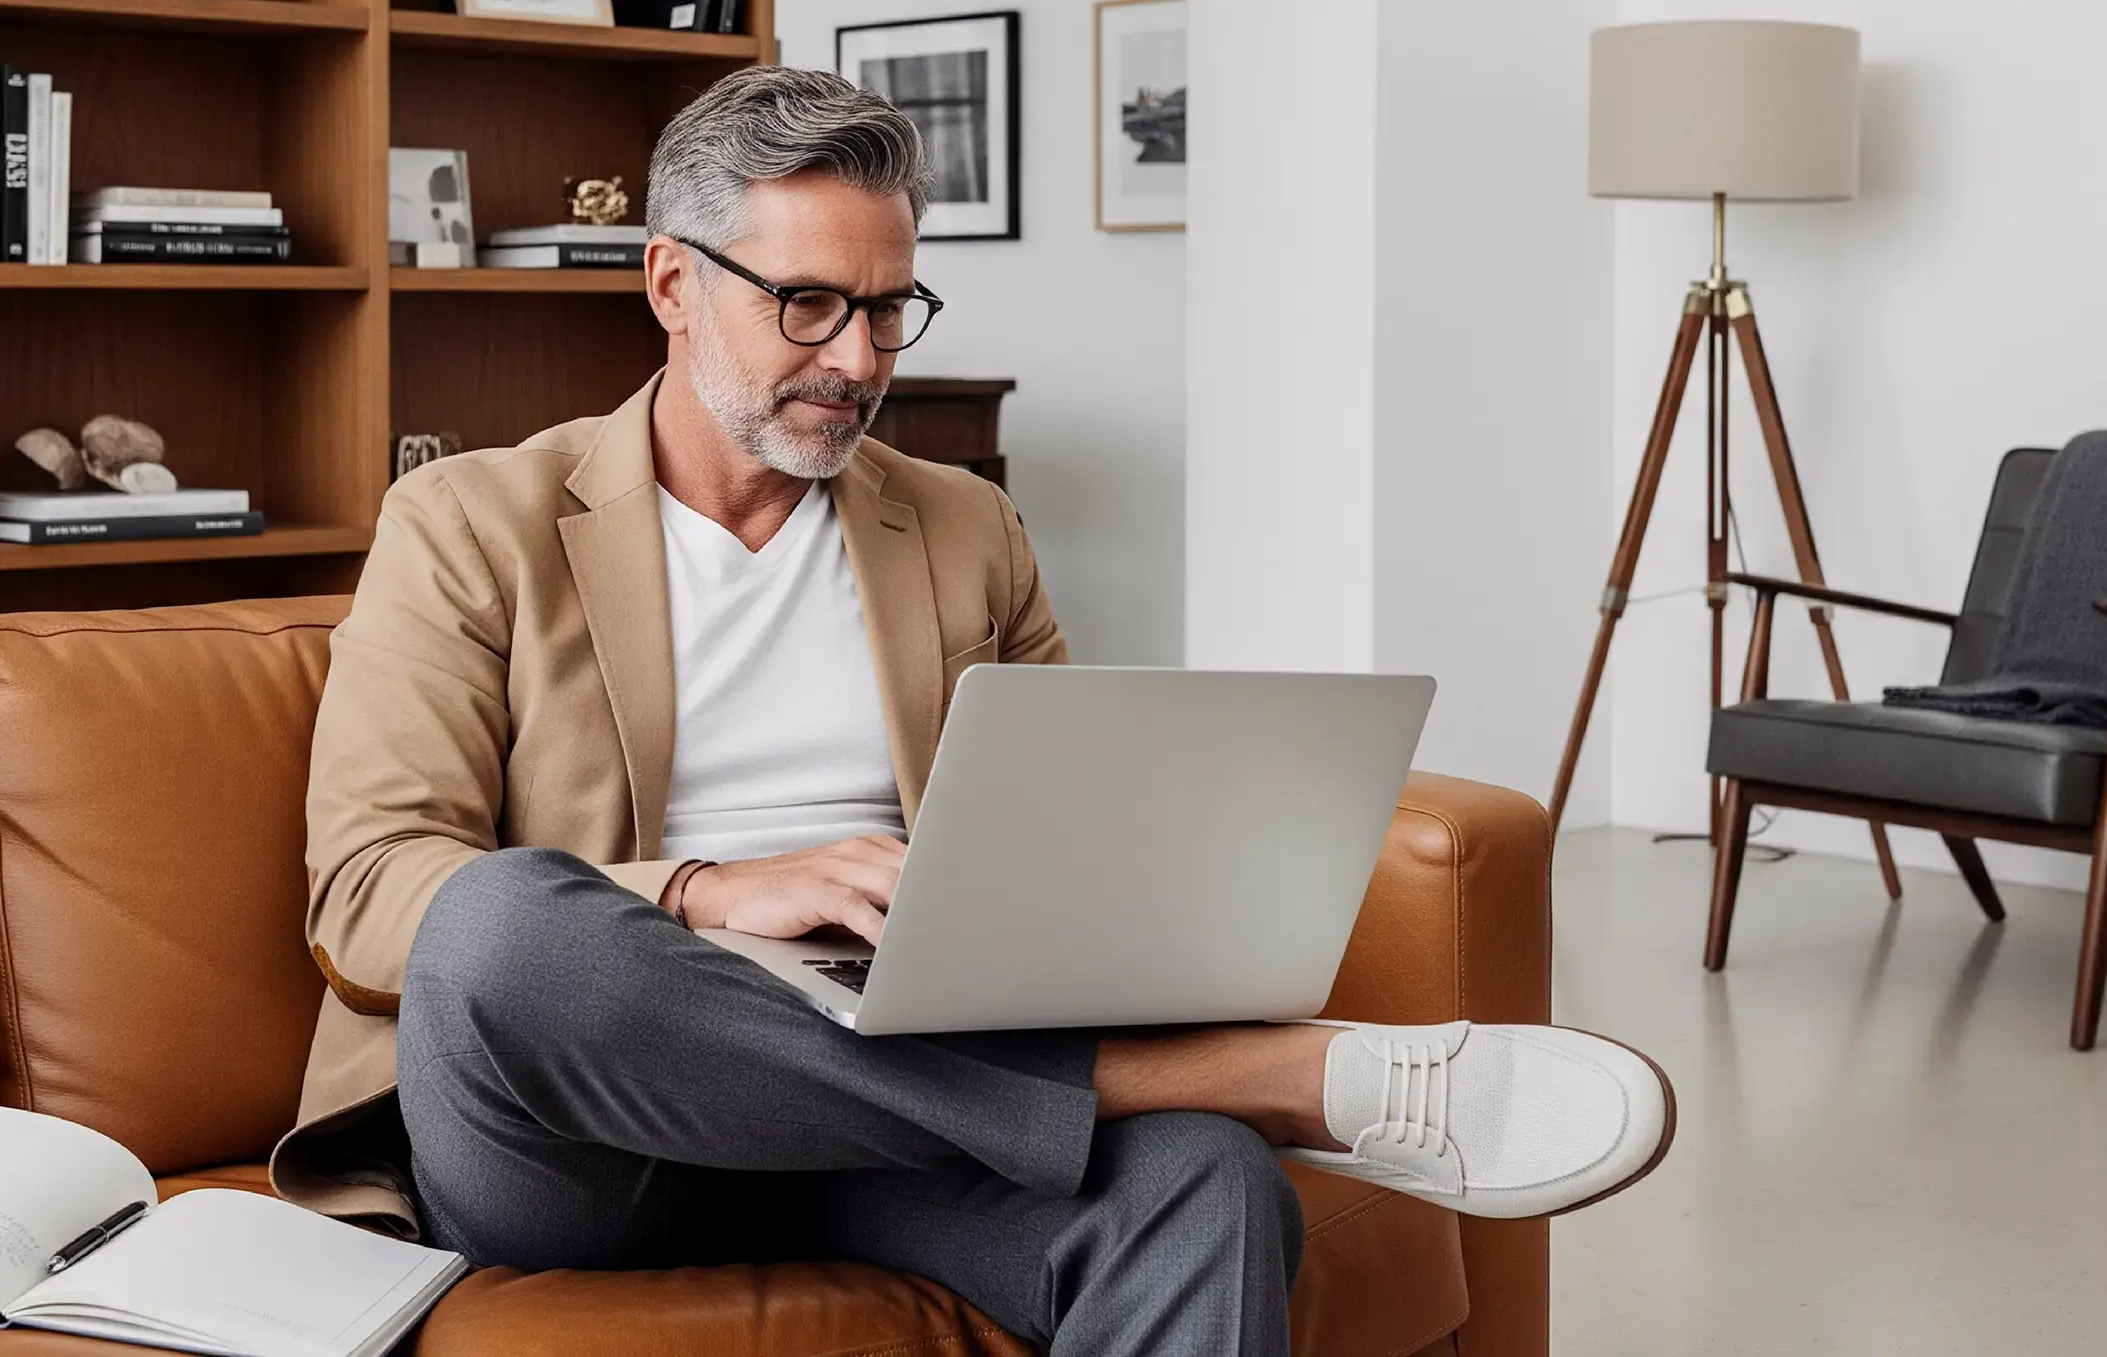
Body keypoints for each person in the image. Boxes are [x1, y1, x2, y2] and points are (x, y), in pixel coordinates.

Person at [268, 66, 1674, 1356]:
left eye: (890, 309)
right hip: (591, 1142)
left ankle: (1215, 1100)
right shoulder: (470, 522)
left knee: (1207, 1184)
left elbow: (1058, 851)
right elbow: (374, 895)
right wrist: (708, 893)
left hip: (891, 1101)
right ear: (672, 283)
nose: (860, 360)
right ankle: (1268, 1078)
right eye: (807, 303)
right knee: (503, 931)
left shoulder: (964, 527)